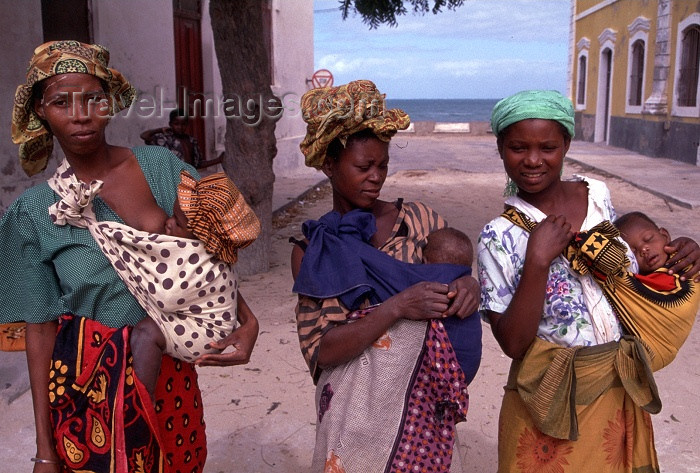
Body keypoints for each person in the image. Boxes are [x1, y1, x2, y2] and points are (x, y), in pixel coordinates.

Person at [0, 40, 259, 473]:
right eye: (62, 102)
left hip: (166, 377)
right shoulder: (32, 214)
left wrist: (247, 322)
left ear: (110, 103)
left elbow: (207, 259)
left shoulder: (160, 168)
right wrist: (45, 451)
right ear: (41, 112)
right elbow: (39, 330)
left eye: (93, 99)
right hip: (85, 389)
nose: (81, 114)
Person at [477, 89, 700, 473]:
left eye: (547, 147)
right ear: (500, 148)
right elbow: (513, 343)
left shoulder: (597, 195)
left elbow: (627, 270)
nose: (533, 160)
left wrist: (678, 252)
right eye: (517, 148)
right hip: (549, 402)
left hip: (617, 386)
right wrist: (537, 261)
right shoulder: (498, 237)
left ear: (566, 143)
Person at [290, 79, 481, 472]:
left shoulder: (420, 221)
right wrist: (397, 307)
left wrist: (468, 285)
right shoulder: (313, 249)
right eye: (363, 167)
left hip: (422, 402)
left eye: (382, 165)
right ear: (328, 164)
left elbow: (454, 278)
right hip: (350, 413)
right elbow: (323, 350)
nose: (375, 177)